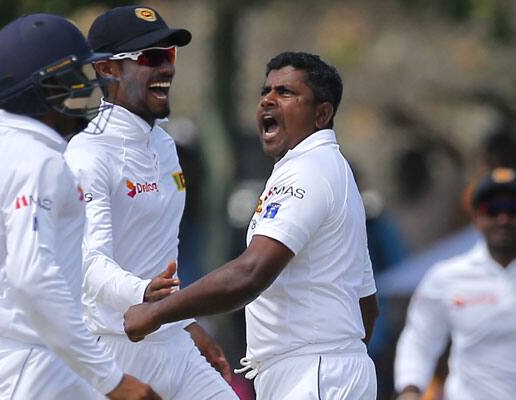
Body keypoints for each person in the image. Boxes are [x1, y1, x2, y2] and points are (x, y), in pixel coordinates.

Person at [0, 14, 159, 400]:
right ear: (41, 88)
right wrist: (113, 380)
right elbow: (32, 278)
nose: (84, 91)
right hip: (30, 370)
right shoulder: (40, 162)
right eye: (72, 80)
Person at [124, 52, 379, 399]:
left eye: (286, 92)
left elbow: (251, 273)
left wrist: (157, 313)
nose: (268, 100)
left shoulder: (308, 169)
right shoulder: (332, 169)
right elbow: (366, 306)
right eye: (265, 91)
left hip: (313, 372)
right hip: (321, 370)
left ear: (322, 114)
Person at [63, 6, 237, 400]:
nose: (167, 69)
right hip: (117, 350)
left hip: (173, 342)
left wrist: (187, 323)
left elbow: (159, 254)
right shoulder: (88, 154)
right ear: (108, 69)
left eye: (169, 55)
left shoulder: (163, 143)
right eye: (151, 58)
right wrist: (143, 293)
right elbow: (88, 264)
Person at [394, 167, 516, 400]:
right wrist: (410, 389)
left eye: (512, 210)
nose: (503, 219)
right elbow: (420, 340)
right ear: (477, 219)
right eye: (492, 210)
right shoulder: (446, 277)